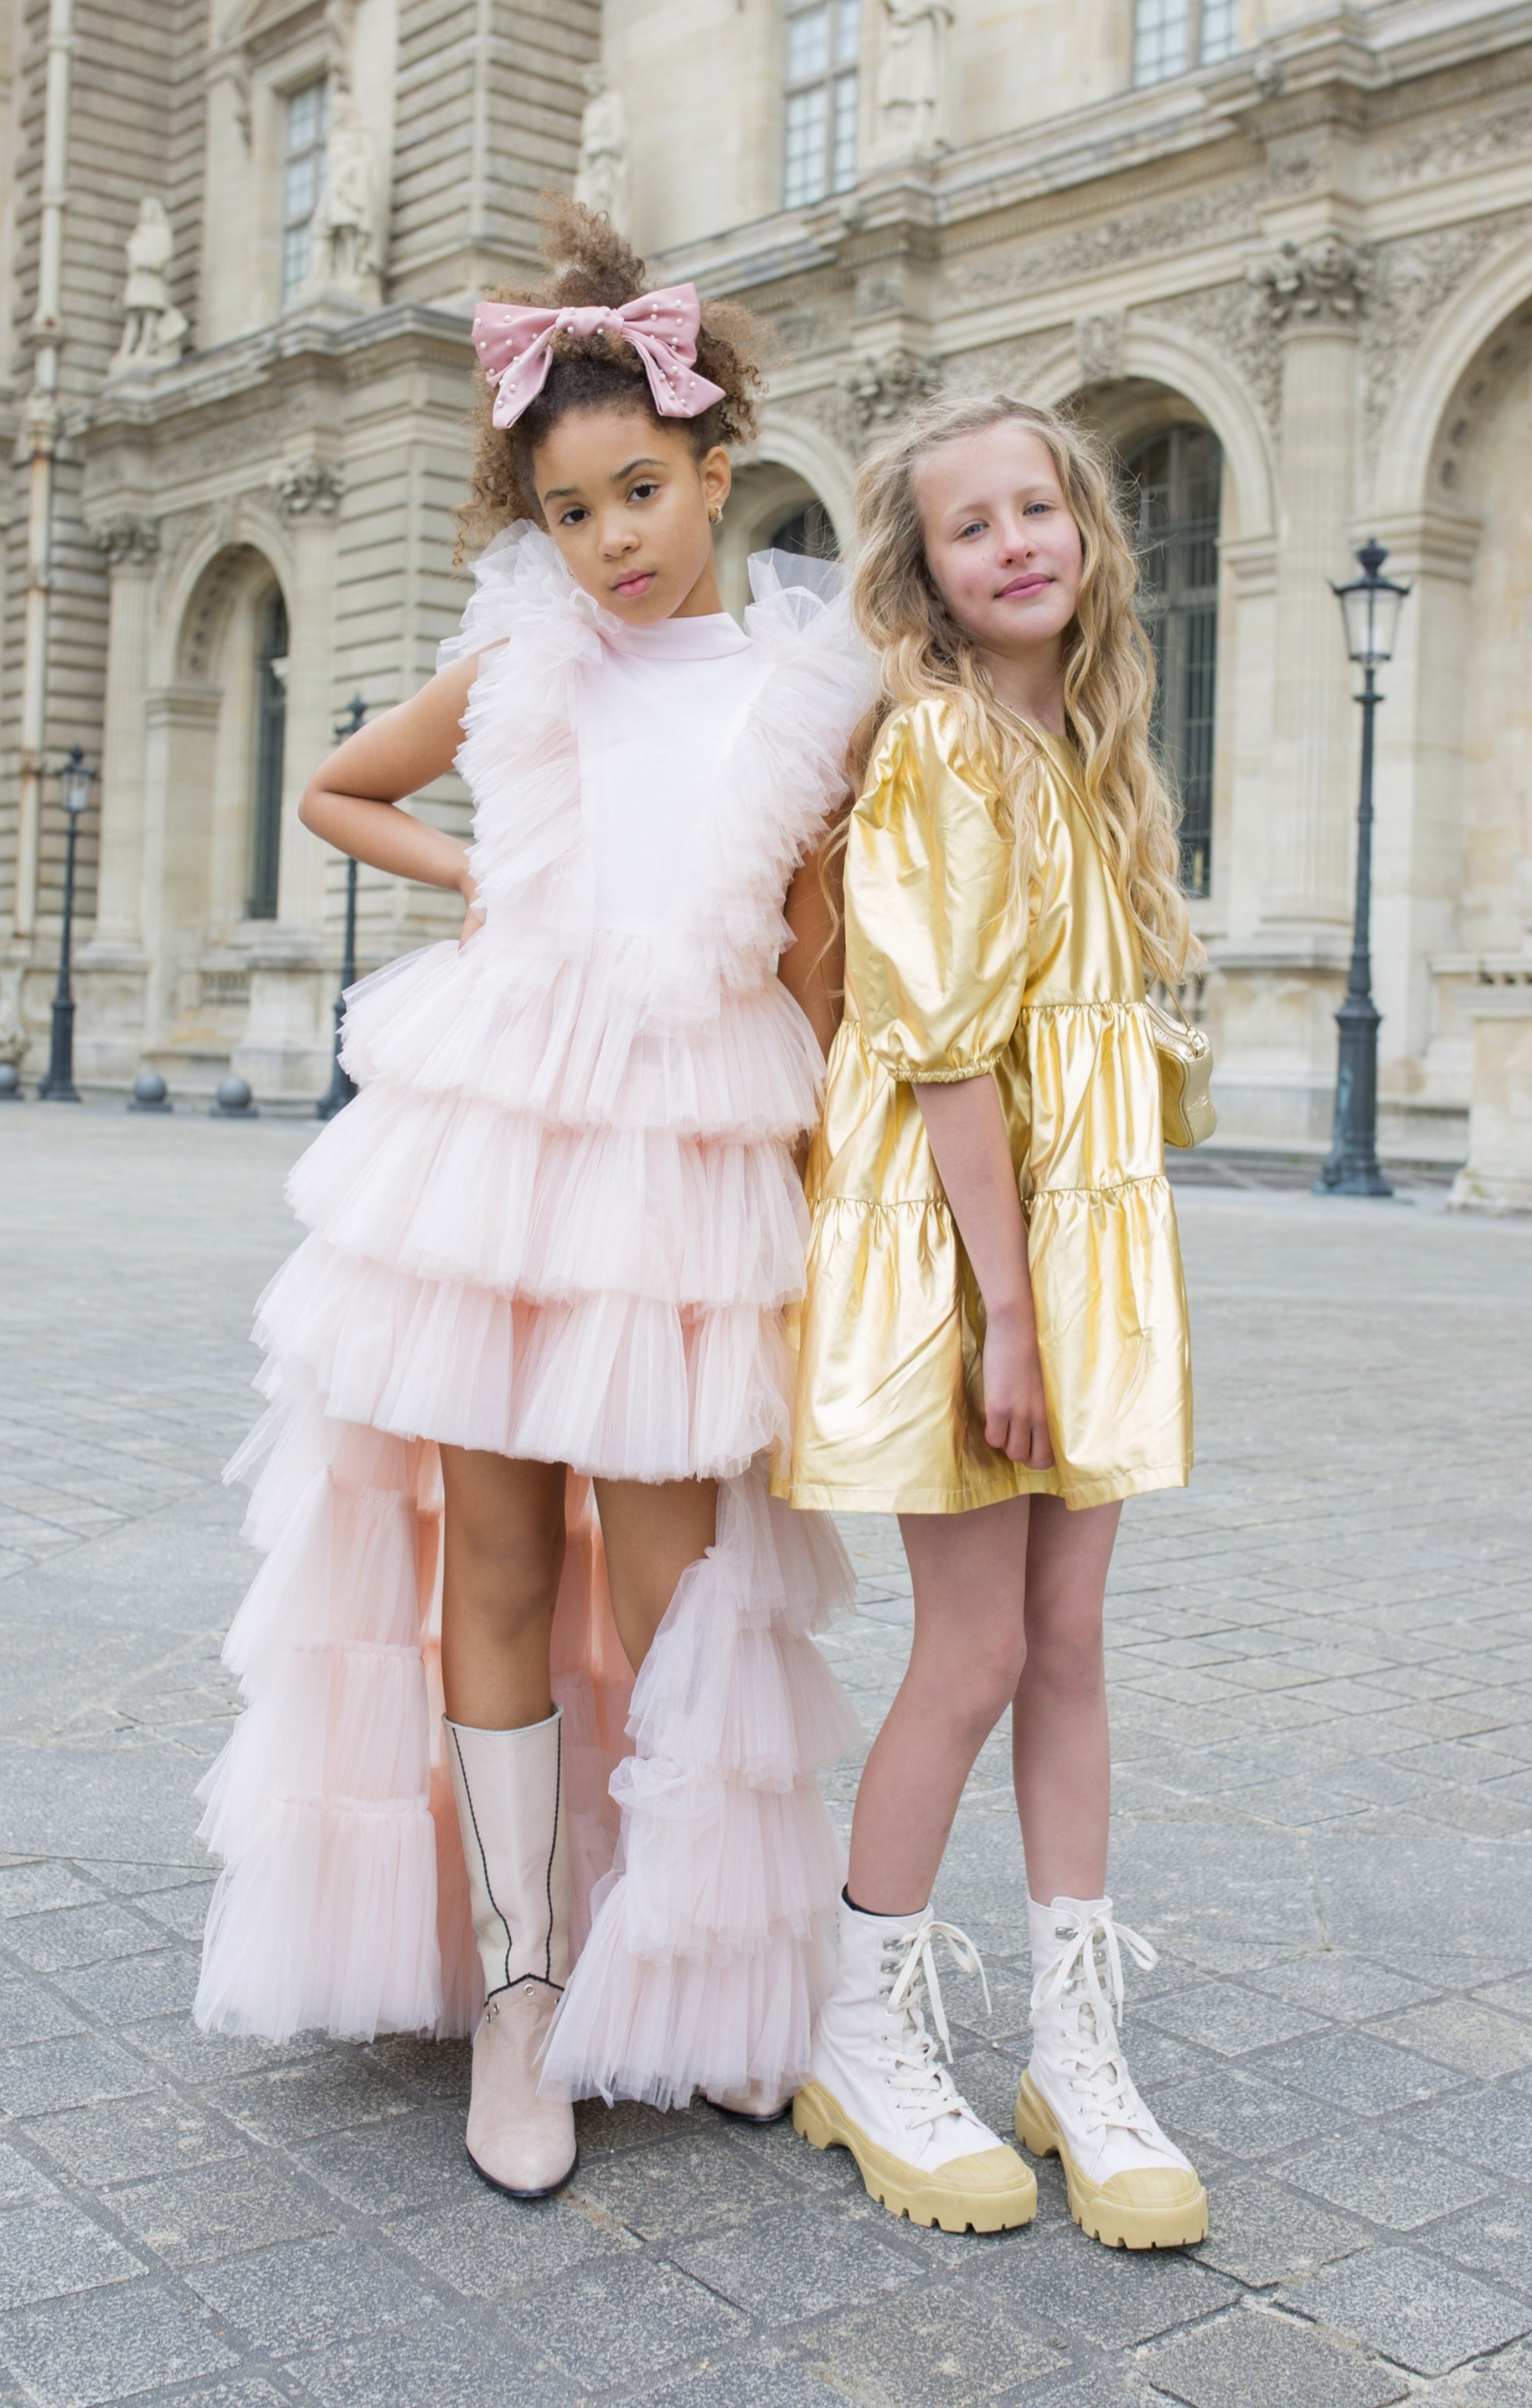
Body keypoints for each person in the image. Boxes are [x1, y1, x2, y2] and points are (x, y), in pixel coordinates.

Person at [193, 202, 874, 2203]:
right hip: (500, 1138)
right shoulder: (523, 658)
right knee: (487, 1551)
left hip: (684, 1158)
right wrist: (483, 884)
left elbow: (820, 959)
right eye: (573, 511)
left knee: (675, 1565)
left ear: (717, 469)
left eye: (643, 491)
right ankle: (517, 1989)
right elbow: (338, 788)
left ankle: (693, 1960)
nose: (615, 540)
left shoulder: (801, 691)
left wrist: (830, 1189)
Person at [777, 393, 1209, 2250]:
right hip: (968, 1246)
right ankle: (860, 2036)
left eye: (1043, 507)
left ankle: (1075, 2053)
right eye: (975, 525)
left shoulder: (1094, 752)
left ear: (1088, 535)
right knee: (969, 1652)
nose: (1019, 540)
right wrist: (1009, 1316)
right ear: (927, 574)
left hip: (1080, 1240)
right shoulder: (942, 743)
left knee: (1071, 1638)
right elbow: (942, 1050)